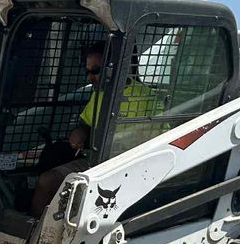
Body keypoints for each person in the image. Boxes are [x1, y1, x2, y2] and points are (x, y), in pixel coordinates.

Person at [29, 42, 162, 218]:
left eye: (96, 71)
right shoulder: (100, 94)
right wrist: (81, 132)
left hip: (126, 167)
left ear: (115, 68)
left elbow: (157, 140)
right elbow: (86, 121)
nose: (90, 78)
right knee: (46, 181)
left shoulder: (147, 99)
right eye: (88, 71)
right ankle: (36, 233)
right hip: (96, 161)